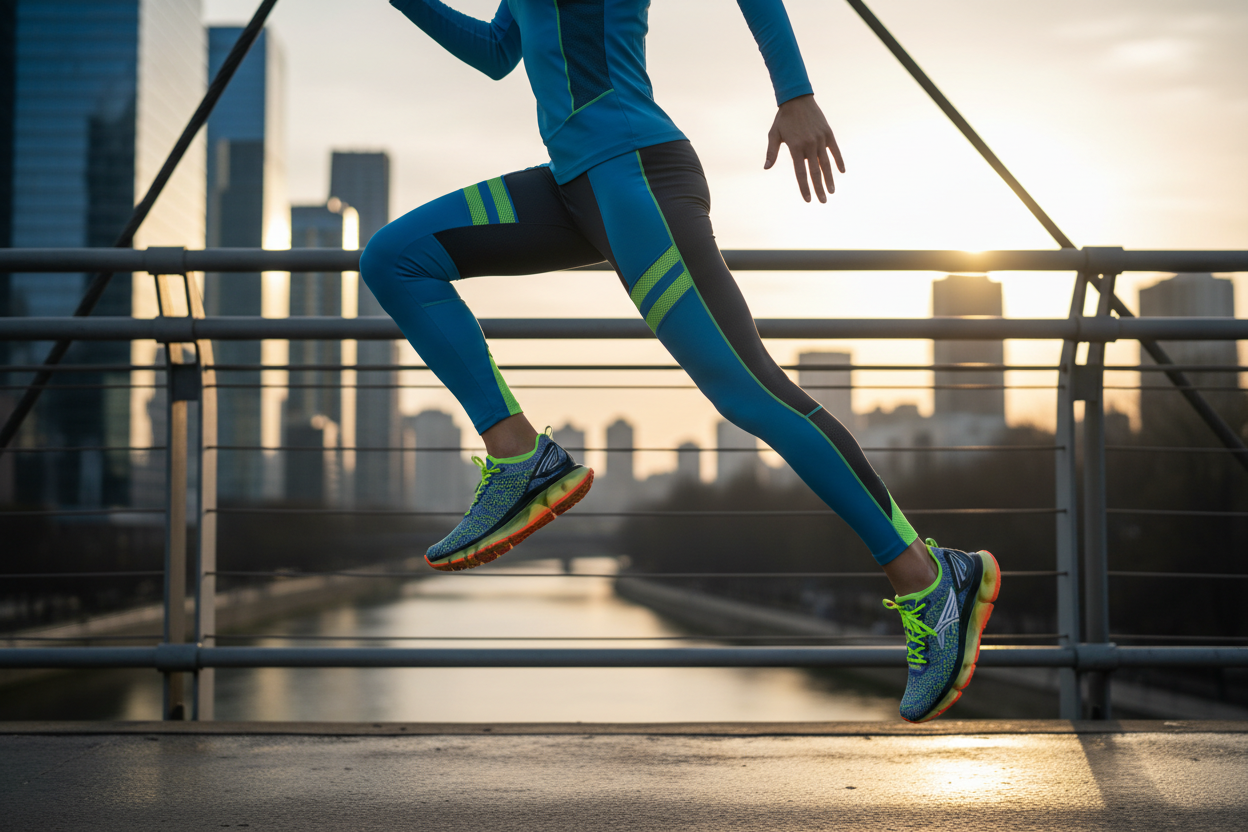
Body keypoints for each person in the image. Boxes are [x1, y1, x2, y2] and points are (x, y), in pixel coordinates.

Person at [362, 0, 1000, 723]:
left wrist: (794, 92)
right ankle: (519, 458)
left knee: (748, 390)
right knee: (395, 256)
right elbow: (497, 49)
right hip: (574, 185)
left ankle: (929, 580)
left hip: (636, 176)